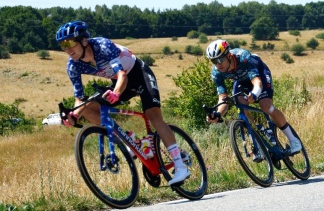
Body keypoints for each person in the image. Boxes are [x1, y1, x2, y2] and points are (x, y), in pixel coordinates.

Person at [56, 21, 190, 185]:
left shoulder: (102, 46)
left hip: (137, 74)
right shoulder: (73, 65)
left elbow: (122, 75)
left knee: (153, 115)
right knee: (87, 108)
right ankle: (128, 138)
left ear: (83, 41)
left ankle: (180, 164)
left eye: (70, 43)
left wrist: (116, 93)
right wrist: (74, 115)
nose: (67, 49)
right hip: (118, 82)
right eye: (63, 45)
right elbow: (79, 99)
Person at [205, 39, 302, 154]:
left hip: (259, 74)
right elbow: (223, 98)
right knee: (241, 109)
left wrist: (255, 94)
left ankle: (294, 140)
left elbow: (257, 82)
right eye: (214, 61)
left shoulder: (243, 57)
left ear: (229, 56)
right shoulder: (216, 72)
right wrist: (217, 114)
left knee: (266, 106)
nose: (218, 64)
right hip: (241, 80)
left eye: (220, 59)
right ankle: (259, 134)